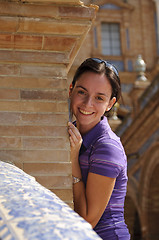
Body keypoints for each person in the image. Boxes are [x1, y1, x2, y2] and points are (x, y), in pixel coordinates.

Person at [68, 58, 130, 240]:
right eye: (82, 92)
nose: (88, 104)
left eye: (99, 98)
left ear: (110, 104)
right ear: (71, 90)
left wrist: (73, 161)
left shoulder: (107, 147)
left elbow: (87, 221)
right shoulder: (68, 133)